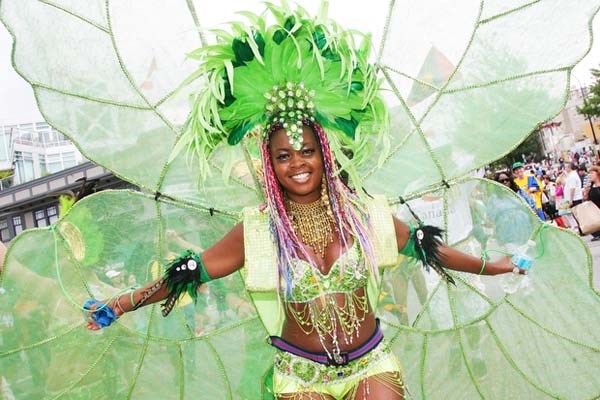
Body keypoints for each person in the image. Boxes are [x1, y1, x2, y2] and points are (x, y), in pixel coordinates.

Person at [86, 125, 520, 400]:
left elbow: (427, 248)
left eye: (306, 150)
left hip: (370, 362)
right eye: (283, 155)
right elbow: (191, 272)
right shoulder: (257, 231)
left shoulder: (363, 214)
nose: (297, 163)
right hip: (300, 375)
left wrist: (490, 266)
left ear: (324, 153)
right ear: (270, 166)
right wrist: (121, 304)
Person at [586, 166, 600, 241]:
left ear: (597, 174)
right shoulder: (591, 186)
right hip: (595, 210)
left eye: (592, 173)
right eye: (589, 173)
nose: (590, 175)